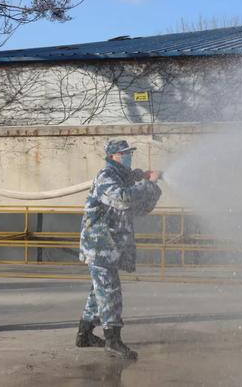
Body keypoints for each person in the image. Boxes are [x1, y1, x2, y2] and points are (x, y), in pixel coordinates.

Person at [76, 139, 162, 360]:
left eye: (130, 152)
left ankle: (84, 334)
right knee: (110, 291)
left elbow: (141, 209)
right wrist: (145, 183)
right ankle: (113, 340)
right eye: (124, 153)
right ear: (114, 156)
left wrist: (150, 186)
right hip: (100, 245)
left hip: (111, 245)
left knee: (99, 291)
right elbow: (123, 199)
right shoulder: (106, 176)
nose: (128, 156)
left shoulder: (124, 179)